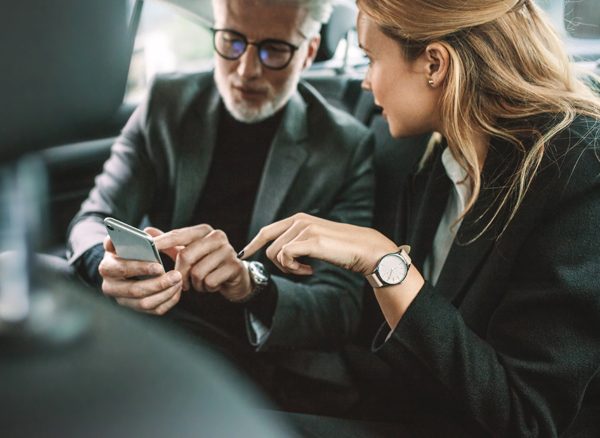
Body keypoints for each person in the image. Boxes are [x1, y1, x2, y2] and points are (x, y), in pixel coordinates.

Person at [242, 0, 600, 436]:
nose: (365, 80)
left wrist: (384, 261)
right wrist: (248, 288)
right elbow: (404, 345)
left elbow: (526, 418)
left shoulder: (578, 171)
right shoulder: (438, 158)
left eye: (371, 59)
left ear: (434, 64)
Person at [67, 0, 374, 412]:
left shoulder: (344, 148)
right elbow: (92, 219)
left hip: (257, 355)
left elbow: (339, 307)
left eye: (273, 50)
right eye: (231, 40)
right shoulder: (167, 102)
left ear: (309, 52)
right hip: (155, 323)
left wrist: (251, 285)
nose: (246, 69)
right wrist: (104, 267)